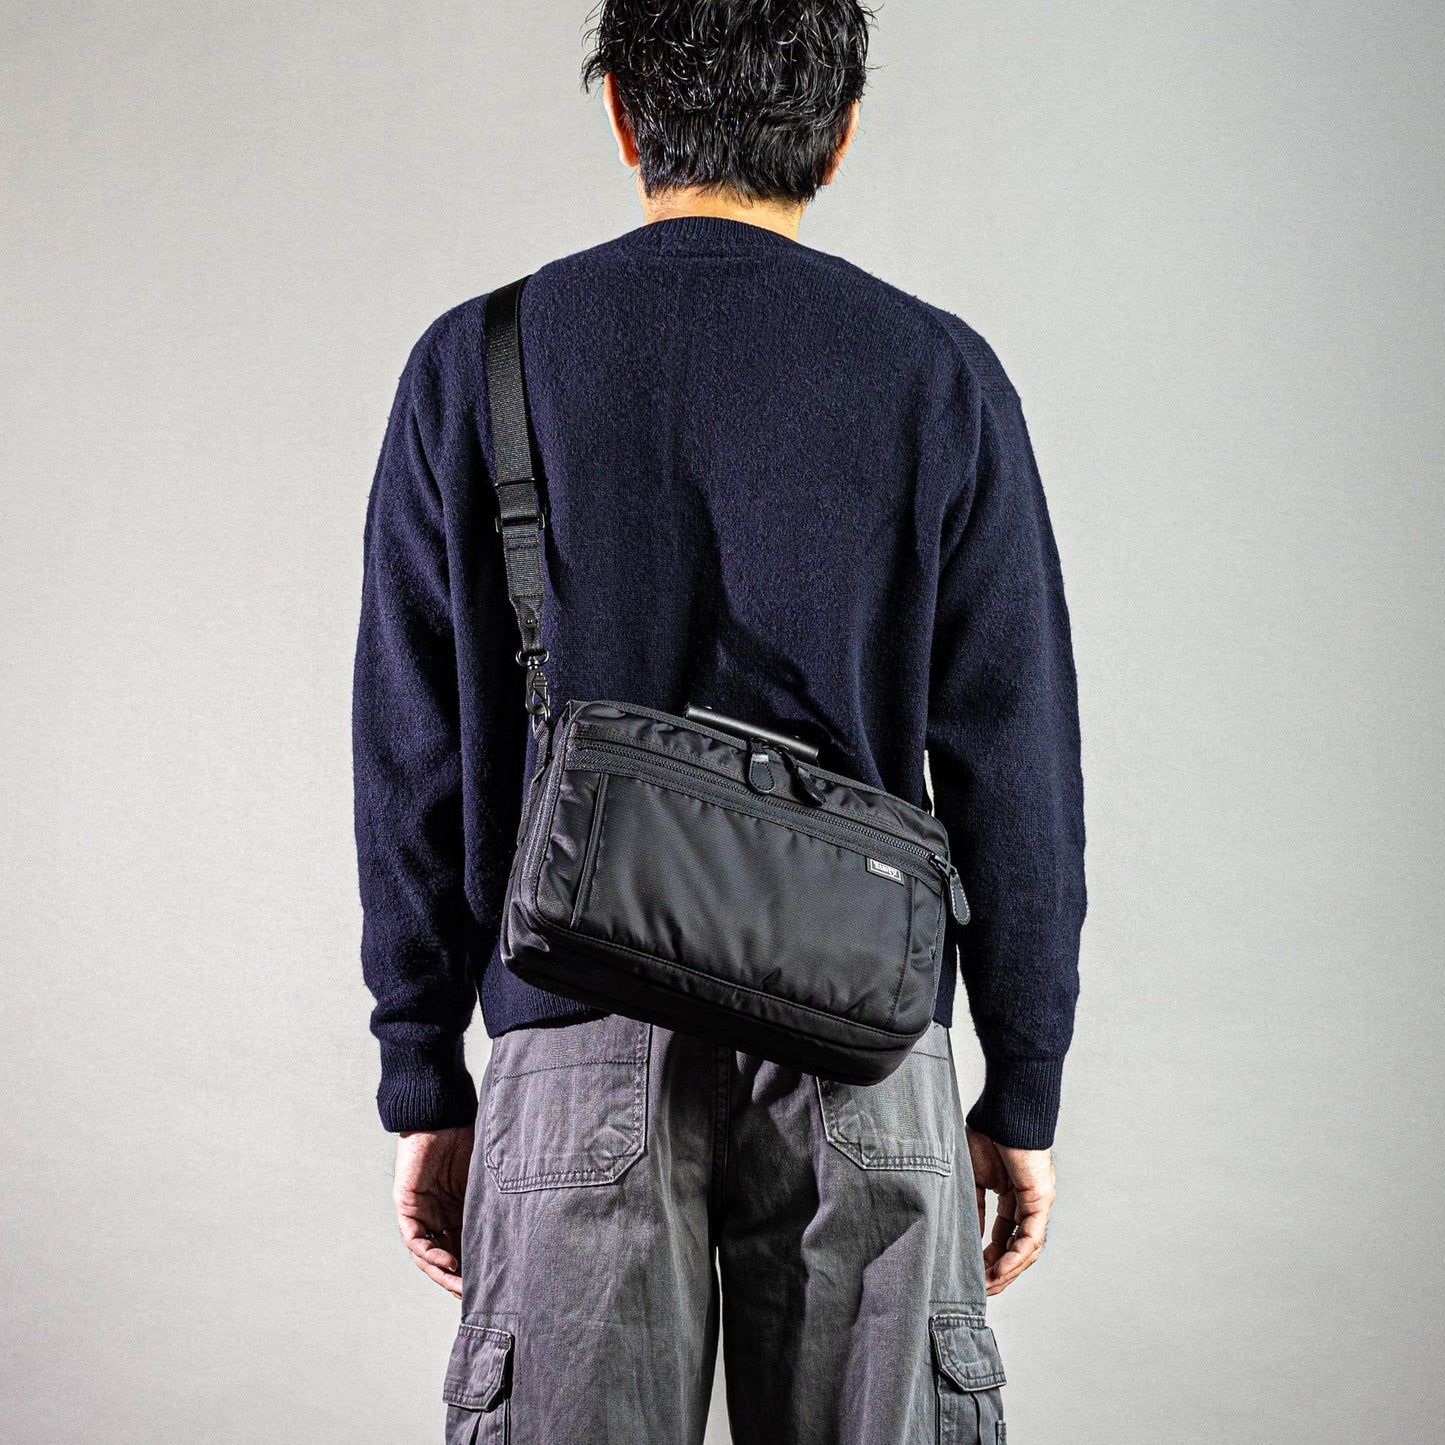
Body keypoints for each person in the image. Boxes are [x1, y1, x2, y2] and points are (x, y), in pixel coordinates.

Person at [351, 2, 1086, 1439]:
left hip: (571, 1041)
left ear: (622, 112)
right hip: (865, 1041)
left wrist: (423, 1069)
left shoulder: (478, 362)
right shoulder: (938, 374)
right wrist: (1024, 1081)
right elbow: (1014, 755)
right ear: (841, 132)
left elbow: (411, 753)